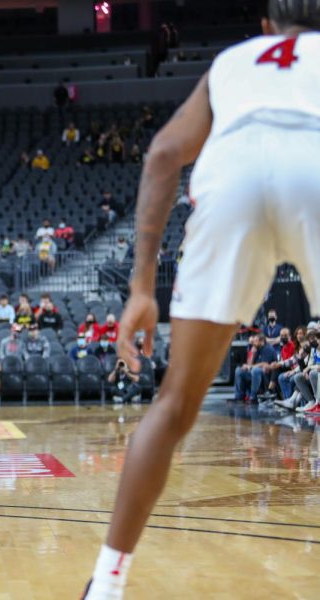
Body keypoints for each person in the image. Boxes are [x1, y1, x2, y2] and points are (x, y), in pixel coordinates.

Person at [84, 7, 320, 598]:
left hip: (230, 177)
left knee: (174, 405)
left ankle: (107, 584)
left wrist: (142, 288)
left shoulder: (232, 62)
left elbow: (163, 154)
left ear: (268, 27)